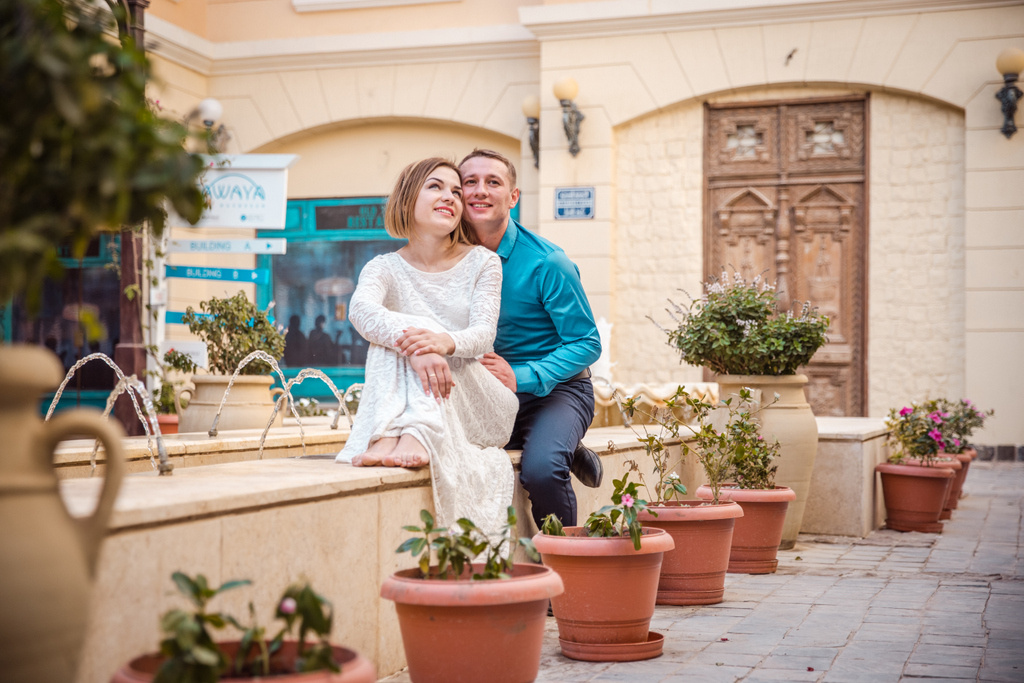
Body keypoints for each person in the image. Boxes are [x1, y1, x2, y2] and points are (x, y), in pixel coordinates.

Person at [336, 157, 518, 537]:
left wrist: (440, 342)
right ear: (408, 199)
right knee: (391, 339)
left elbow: (483, 334)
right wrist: (421, 348)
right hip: (429, 390)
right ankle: (393, 433)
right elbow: (360, 311)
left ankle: (406, 433)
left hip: (481, 403)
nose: (450, 197)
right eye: (435, 186)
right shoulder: (383, 267)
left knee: (409, 335)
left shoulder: (483, 262)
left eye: (456, 191)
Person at [459, 149, 603, 530]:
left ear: (513, 197)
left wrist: (520, 376)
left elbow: (587, 342)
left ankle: (564, 561)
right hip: (486, 395)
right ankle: (558, 442)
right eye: (470, 182)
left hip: (556, 391)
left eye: (493, 182)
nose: (480, 190)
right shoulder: (450, 257)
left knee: (542, 468)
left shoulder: (547, 262)